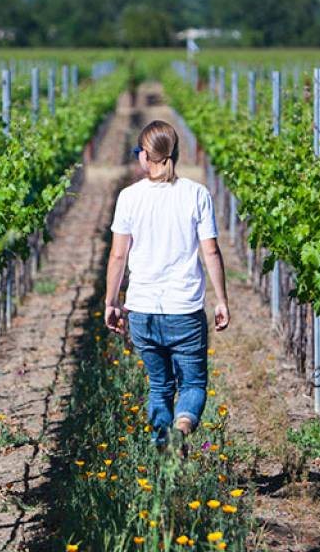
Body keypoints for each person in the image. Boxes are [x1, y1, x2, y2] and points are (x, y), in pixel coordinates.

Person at [104, 120, 231, 453]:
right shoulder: (196, 195)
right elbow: (211, 251)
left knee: (160, 386)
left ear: (146, 156)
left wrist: (111, 302)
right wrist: (221, 300)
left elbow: (118, 255)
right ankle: (182, 428)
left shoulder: (129, 197)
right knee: (193, 383)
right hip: (184, 310)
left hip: (143, 310)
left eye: (139, 152)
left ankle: (163, 445)